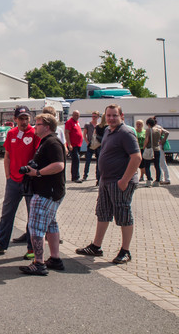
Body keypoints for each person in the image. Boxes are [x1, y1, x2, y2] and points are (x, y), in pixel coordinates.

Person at [76, 104, 141, 264]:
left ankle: (125, 251)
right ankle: (96, 246)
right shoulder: (107, 131)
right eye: (109, 115)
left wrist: (124, 180)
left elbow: (136, 157)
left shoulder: (126, 133)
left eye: (114, 115)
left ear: (121, 116)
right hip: (106, 181)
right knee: (103, 213)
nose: (111, 118)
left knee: (123, 215)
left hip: (120, 182)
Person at [0, 106, 38, 259]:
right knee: (7, 214)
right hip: (13, 181)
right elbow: (7, 155)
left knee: (32, 215)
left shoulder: (34, 133)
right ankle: (0, 243)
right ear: (15, 119)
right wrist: (7, 175)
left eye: (26, 118)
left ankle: (32, 247)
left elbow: (38, 156)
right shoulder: (11, 133)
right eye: (21, 118)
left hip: (30, 181)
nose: (24, 121)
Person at [19, 113, 66, 275]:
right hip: (52, 191)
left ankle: (38, 262)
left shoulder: (52, 142)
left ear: (46, 127)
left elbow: (59, 165)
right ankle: (55, 258)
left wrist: (37, 173)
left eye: (37, 124)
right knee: (51, 224)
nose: (34, 126)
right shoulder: (47, 142)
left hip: (47, 192)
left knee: (36, 227)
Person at [143, 117, 169, 187]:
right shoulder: (159, 130)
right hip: (157, 149)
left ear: (148, 124)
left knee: (147, 165)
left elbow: (147, 140)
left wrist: (143, 147)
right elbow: (167, 133)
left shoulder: (148, 130)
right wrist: (162, 141)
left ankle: (149, 180)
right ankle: (157, 181)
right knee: (157, 166)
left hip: (149, 149)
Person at [65, 110, 83, 183]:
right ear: (72, 115)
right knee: (76, 160)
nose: (77, 116)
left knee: (77, 160)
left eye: (78, 115)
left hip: (78, 144)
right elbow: (66, 133)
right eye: (75, 115)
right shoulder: (69, 122)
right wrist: (69, 144)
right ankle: (75, 177)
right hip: (73, 145)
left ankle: (75, 176)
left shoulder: (77, 122)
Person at [83, 111, 100, 181]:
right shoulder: (88, 124)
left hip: (97, 144)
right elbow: (84, 135)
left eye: (95, 116)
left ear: (98, 117)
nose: (93, 118)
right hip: (90, 144)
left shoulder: (99, 125)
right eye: (92, 116)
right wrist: (87, 142)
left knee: (98, 161)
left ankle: (98, 176)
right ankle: (85, 175)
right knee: (88, 160)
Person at [154, 117, 171, 185]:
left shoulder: (157, 127)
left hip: (159, 146)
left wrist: (162, 141)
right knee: (160, 163)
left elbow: (167, 132)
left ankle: (166, 179)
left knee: (161, 162)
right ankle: (161, 178)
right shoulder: (158, 127)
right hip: (158, 146)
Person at [134, 120, 149, 187]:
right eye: (137, 124)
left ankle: (142, 176)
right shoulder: (134, 131)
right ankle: (136, 177)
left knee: (142, 164)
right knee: (136, 163)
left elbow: (146, 139)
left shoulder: (144, 131)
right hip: (136, 149)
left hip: (143, 149)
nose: (138, 125)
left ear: (142, 125)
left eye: (140, 124)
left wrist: (144, 146)